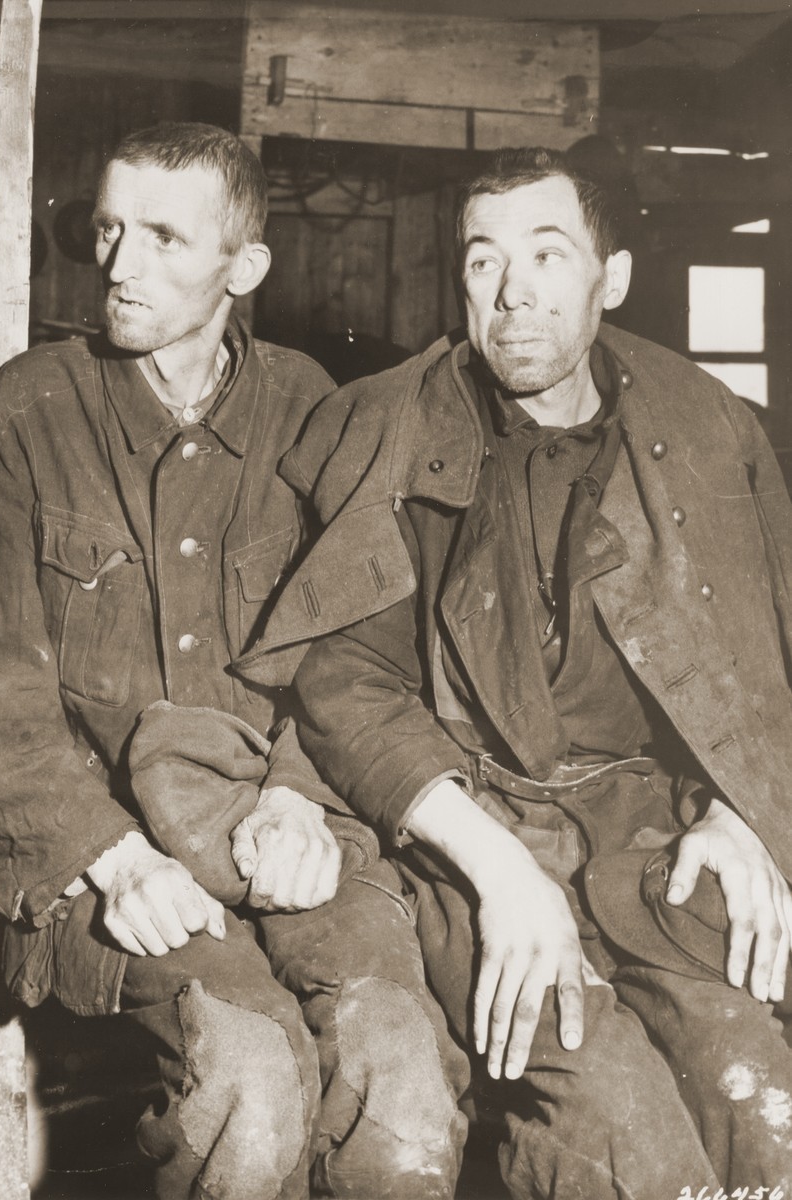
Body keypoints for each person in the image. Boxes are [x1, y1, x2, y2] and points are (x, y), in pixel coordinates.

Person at [0, 122, 469, 1200]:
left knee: (398, 1070)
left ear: (245, 267)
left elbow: (359, 651)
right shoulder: (23, 415)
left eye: (166, 239)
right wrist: (110, 856)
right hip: (109, 858)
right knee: (252, 1073)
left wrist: (302, 796)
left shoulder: (314, 409)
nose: (122, 267)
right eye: (110, 230)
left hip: (294, 826)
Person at [239, 147, 792, 1197]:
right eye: (483, 261)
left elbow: (767, 649)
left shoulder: (707, 428)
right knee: (615, 1118)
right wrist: (500, 873)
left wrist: (743, 809)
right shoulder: (394, 427)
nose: (513, 292)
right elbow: (344, 684)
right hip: (475, 833)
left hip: (650, 842)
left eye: (548, 254)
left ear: (609, 280)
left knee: (760, 1091)